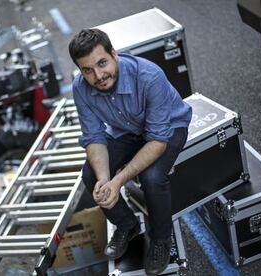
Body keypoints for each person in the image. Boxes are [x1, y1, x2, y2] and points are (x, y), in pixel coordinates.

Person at [68, 29, 192, 275]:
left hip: (168, 126)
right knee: (91, 176)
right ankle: (127, 225)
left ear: (114, 55)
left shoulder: (149, 76)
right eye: (87, 70)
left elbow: (157, 140)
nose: (98, 75)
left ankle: (160, 239)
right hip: (126, 129)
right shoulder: (80, 88)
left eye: (102, 63)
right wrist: (105, 179)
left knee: (152, 177)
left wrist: (119, 181)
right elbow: (94, 138)